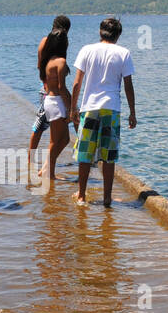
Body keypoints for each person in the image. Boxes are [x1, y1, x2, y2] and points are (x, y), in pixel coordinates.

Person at [69, 17, 137, 208]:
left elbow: (76, 83)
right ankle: (107, 198)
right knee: (109, 155)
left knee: (85, 153)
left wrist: (73, 108)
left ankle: (81, 196)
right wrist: (132, 112)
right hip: (111, 108)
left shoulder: (86, 50)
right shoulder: (124, 53)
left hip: (89, 107)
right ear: (118, 35)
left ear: (100, 32)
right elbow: (128, 85)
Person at [27, 15, 71, 184]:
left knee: (61, 137)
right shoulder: (57, 56)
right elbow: (62, 87)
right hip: (52, 96)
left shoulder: (51, 52)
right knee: (43, 129)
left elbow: (41, 67)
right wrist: (71, 108)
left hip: (49, 93)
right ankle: (47, 171)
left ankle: (45, 167)